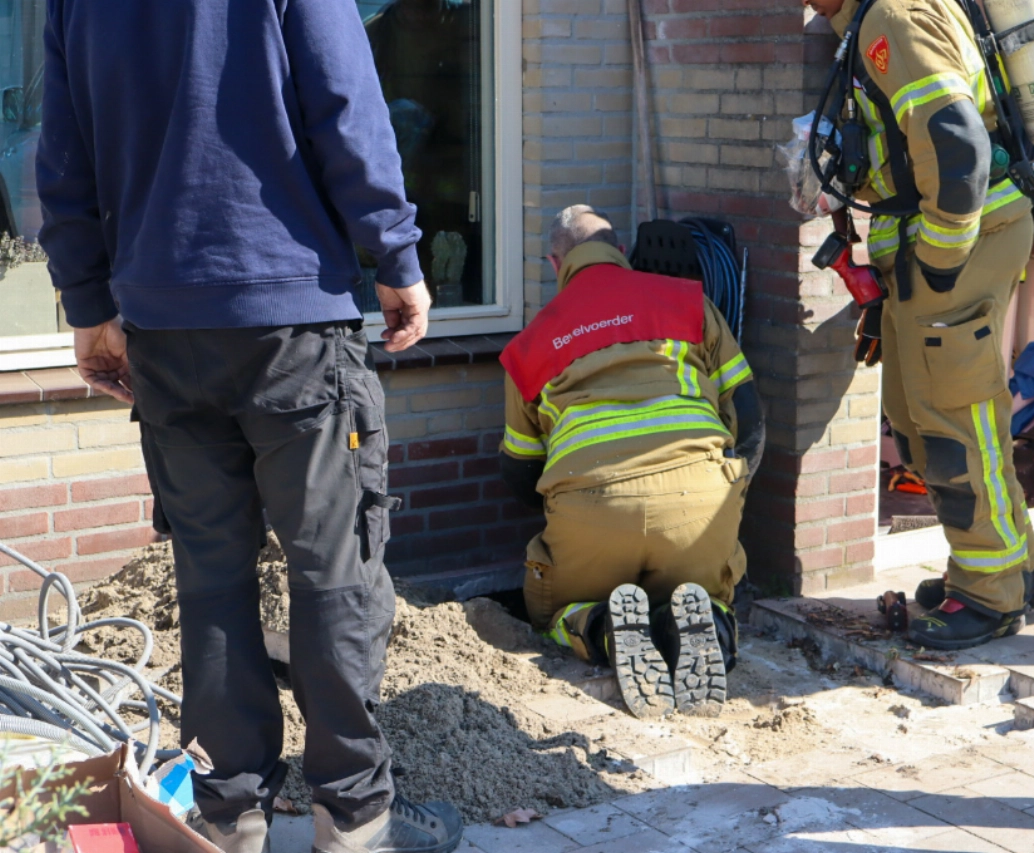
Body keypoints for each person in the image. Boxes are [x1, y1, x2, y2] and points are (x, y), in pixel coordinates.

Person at [37, 1, 461, 851]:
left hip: (163, 325)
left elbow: (65, 147)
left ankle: (230, 816)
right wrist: (398, 253)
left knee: (212, 577)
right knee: (333, 569)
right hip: (290, 316)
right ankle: (355, 818)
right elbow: (345, 99)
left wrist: (88, 303)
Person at [804, 0, 1034, 651]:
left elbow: (958, 145)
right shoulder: (872, 21)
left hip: (954, 243)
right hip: (937, 243)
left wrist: (937, 264)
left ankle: (988, 593)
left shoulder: (892, 18)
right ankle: (1013, 563)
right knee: (932, 417)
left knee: (949, 418)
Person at [499, 205, 764, 719]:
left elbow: (519, 470)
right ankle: (709, 618)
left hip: (592, 508)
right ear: (620, 253)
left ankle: (600, 626)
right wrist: (733, 491)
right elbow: (749, 416)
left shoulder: (528, 345)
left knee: (552, 609)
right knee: (710, 587)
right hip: (699, 504)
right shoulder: (688, 301)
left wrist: (575, 511)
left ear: (556, 265)